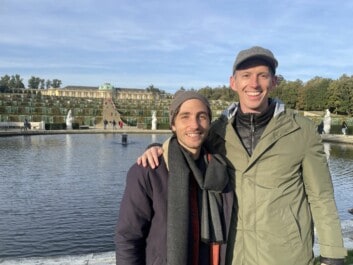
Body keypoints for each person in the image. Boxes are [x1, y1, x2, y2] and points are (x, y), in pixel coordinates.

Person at [137, 46, 347, 265]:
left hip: (286, 256)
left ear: (273, 82)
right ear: (233, 83)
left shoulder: (301, 131)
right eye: (246, 76)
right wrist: (160, 148)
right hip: (232, 255)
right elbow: (187, 142)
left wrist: (332, 255)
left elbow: (321, 196)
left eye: (262, 76)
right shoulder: (216, 132)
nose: (254, 84)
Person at [115, 91, 234, 265]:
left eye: (202, 117)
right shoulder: (148, 171)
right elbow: (128, 238)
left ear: (209, 123)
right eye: (185, 117)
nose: (194, 125)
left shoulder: (220, 168)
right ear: (173, 124)